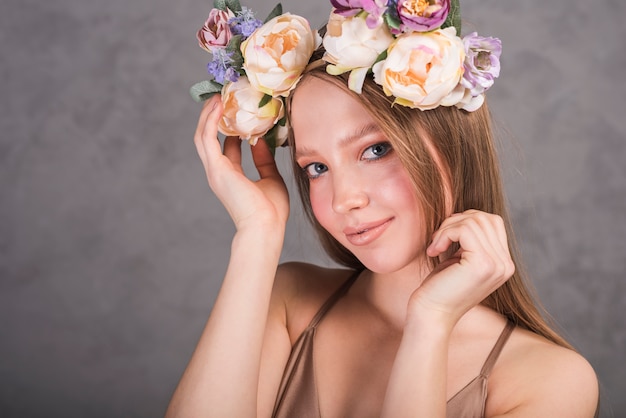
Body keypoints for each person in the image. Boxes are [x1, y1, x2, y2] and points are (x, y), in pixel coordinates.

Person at [166, 1, 599, 416]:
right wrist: (257, 234)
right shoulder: (288, 301)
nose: (343, 198)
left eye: (376, 150)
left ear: (452, 146)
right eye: (316, 167)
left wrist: (430, 321)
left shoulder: (551, 381)